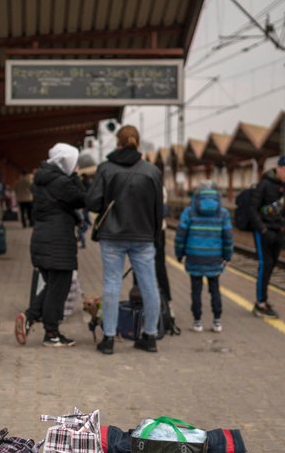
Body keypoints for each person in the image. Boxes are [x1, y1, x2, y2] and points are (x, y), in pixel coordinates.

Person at [86, 125, 163, 356]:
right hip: (143, 237)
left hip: (112, 235)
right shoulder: (152, 172)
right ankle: (149, 336)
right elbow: (159, 209)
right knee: (149, 285)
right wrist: (154, 236)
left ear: (117, 144)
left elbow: (92, 202)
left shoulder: (106, 169)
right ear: (137, 143)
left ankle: (108, 339)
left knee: (111, 285)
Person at [15, 143, 86, 347]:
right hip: (58, 241)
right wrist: (75, 177)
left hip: (42, 240)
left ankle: (28, 317)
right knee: (59, 289)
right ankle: (51, 333)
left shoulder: (42, 180)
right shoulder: (62, 182)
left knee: (51, 286)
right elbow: (82, 199)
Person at [174, 181, 233, 333]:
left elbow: (180, 236)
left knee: (196, 290)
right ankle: (217, 322)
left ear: (196, 195)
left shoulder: (188, 212)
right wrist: (227, 256)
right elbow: (228, 238)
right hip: (214, 257)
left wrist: (179, 254)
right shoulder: (223, 213)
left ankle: (197, 322)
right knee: (215, 289)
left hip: (194, 256)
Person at [248, 155, 285, 319]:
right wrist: (263, 230)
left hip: (277, 232)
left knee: (271, 265)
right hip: (263, 232)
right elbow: (252, 210)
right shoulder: (264, 185)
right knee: (265, 264)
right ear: (278, 168)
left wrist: (283, 228)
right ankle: (259, 304)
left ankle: (264, 298)